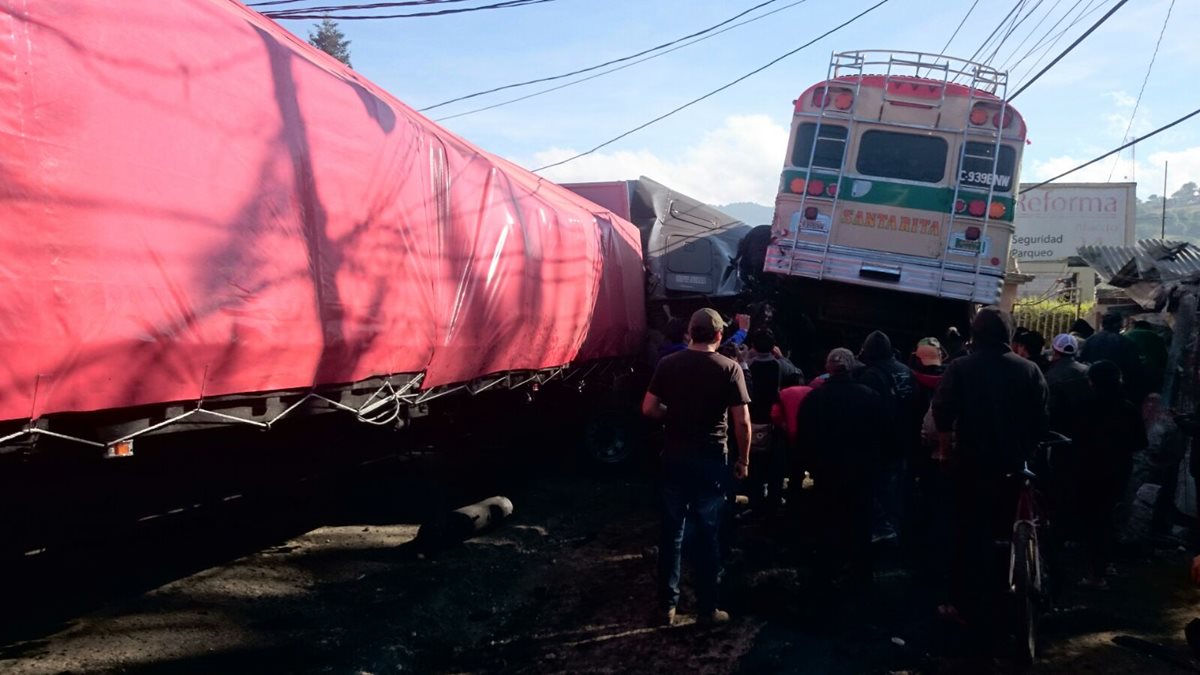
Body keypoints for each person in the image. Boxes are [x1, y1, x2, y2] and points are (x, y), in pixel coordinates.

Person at [932, 306, 1049, 631]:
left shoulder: (961, 367)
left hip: (970, 466)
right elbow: (1041, 423)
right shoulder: (1030, 370)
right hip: (1015, 468)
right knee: (1017, 529)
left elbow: (942, 412)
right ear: (1008, 335)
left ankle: (958, 604)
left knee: (963, 534)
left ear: (975, 334)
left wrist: (945, 453)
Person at [642, 308, 751, 626]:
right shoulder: (730, 368)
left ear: (690, 332)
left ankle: (666, 608)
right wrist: (744, 460)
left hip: (675, 458)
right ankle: (707, 609)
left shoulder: (668, 364)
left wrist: (673, 416)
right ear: (719, 335)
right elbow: (742, 422)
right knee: (707, 534)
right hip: (711, 460)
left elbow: (648, 408)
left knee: (671, 533)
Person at [796, 348, 885, 588]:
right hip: (861, 473)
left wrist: (810, 466)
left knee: (827, 523)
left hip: (827, 473)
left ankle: (826, 574)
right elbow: (883, 435)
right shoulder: (871, 397)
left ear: (828, 368)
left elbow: (803, 438)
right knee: (860, 524)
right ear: (852, 366)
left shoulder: (814, 399)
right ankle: (861, 575)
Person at [1074, 361, 1147, 589]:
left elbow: (1074, 437)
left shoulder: (1084, 406)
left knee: (1092, 521)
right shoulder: (1128, 408)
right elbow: (1140, 442)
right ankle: (1105, 564)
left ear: (1092, 382)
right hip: (1118, 471)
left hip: (1088, 469)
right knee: (1109, 517)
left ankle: (1096, 572)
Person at [856, 330, 917, 544]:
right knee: (899, 487)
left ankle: (883, 531)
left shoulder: (871, 376)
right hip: (906, 439)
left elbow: (867, 413)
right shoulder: (906, 371)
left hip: (881, 444)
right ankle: (897, 528)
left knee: (878, 488)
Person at [1079, 312, 1145, 402]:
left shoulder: (1090, 341)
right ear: (1119, 325)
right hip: (1117, 390)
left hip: (1094, 389)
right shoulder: (1126, 342)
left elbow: (1082, 363)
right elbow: (1134, 369)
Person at [1124, 319, 1168, 394]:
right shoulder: (1156, 337)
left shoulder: (1127, 335)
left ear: (1135, 327)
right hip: (1151, 373)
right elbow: (1164, 357)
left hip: (1131, 373)